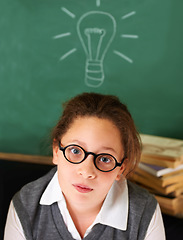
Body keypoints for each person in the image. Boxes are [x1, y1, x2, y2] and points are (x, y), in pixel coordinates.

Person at [4, 92, 166, 240]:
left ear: (121, 168)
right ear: (56, 152)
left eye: (104, 159)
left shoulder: (144, 212)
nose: (87, 171)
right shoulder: (26, 205)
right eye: (75, 150)